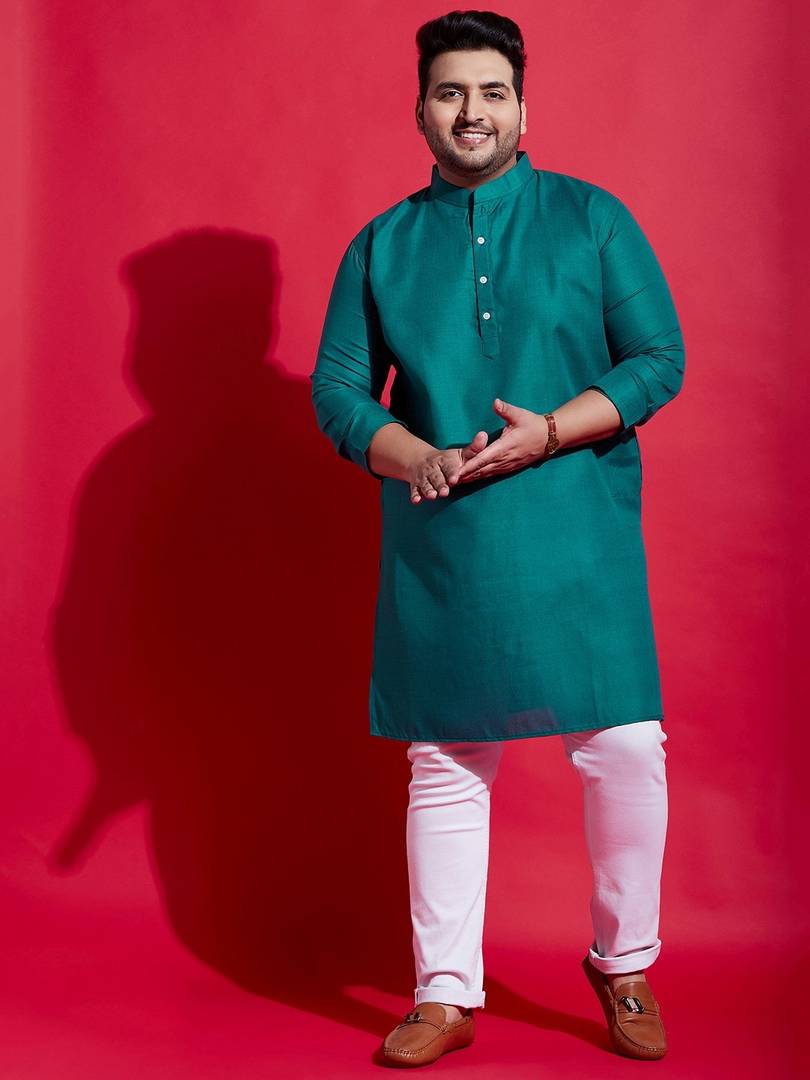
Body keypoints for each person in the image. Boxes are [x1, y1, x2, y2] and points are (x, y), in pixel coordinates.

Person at [310, 8, 684, 1068]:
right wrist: (409, 455)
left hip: (579, 532)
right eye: (450, 92)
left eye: (491, 92)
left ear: (523, 108)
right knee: (447, 755)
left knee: (625, 746)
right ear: (421, 110)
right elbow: (339, 390)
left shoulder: (591, 219)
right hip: (447, 536)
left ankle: (625, 963)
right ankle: (445, 993)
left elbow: (658, 358)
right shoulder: (381, 245)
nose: (471, 111)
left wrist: (552, 431)